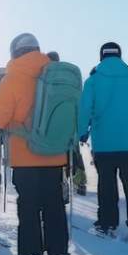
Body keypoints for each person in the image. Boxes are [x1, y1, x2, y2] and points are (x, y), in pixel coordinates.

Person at [0, 33, 72, 255]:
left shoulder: (13, 77)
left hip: (25, 156)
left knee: (29, 207)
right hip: (55, 153)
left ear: (15, 51)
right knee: (54, 206)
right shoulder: (56, 75)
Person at [78, 41, 128, 241]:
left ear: (101, 56)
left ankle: (107, 224)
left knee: (107, 185)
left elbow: (84, 109)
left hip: (103, 144)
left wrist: (82, 132)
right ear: (119, 55)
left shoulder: (93, 81)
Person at [48, 50, 89, 195]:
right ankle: (80, 182)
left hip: (53, 123)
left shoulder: (46, 77)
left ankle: (62, 183)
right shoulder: (69, 77)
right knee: (74, 152)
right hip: (71, 122)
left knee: (56, 154)